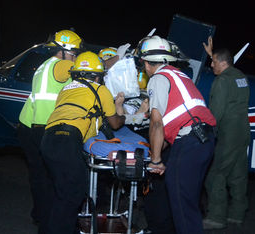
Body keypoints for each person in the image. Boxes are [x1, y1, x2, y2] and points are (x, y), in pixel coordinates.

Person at [40, 51, 125, 233]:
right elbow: (115, 123)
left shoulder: (66, 89)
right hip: (67, 139)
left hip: (48, 139)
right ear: (97, 75)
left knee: (60, 192)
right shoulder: (100, 90)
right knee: (73, 193)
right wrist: (120, 108)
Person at [139, 35, 217, 234]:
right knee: (189, 204)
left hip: (189, 142)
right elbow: (170, 127)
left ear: (147, 63)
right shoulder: (179, 75)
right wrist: (155, 153)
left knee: (181, 207)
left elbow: (156, 123)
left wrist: (156, 160)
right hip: (204, 141)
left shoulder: (158, 78)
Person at [16, 29, 82, 231]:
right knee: (52, 180)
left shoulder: (46, 65)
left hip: (30, 126)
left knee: (40, 176)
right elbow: (84, 68)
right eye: (74, 53)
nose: (76, 57)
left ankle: (41, 215)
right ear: (63, 51)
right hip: (42, 128)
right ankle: (47, 222)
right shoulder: (61, 65)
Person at [202, 36, 251, 229]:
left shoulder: (221, 82)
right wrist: (211, 54)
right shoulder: (241, 76)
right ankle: (237, 214)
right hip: (242, 132)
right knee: (238, 175)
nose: (211, 65)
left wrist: (207, 133)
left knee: (215, 176)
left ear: (223, 63)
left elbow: (216, 113)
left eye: (213, 62)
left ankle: (216, 217)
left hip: (228, 135)